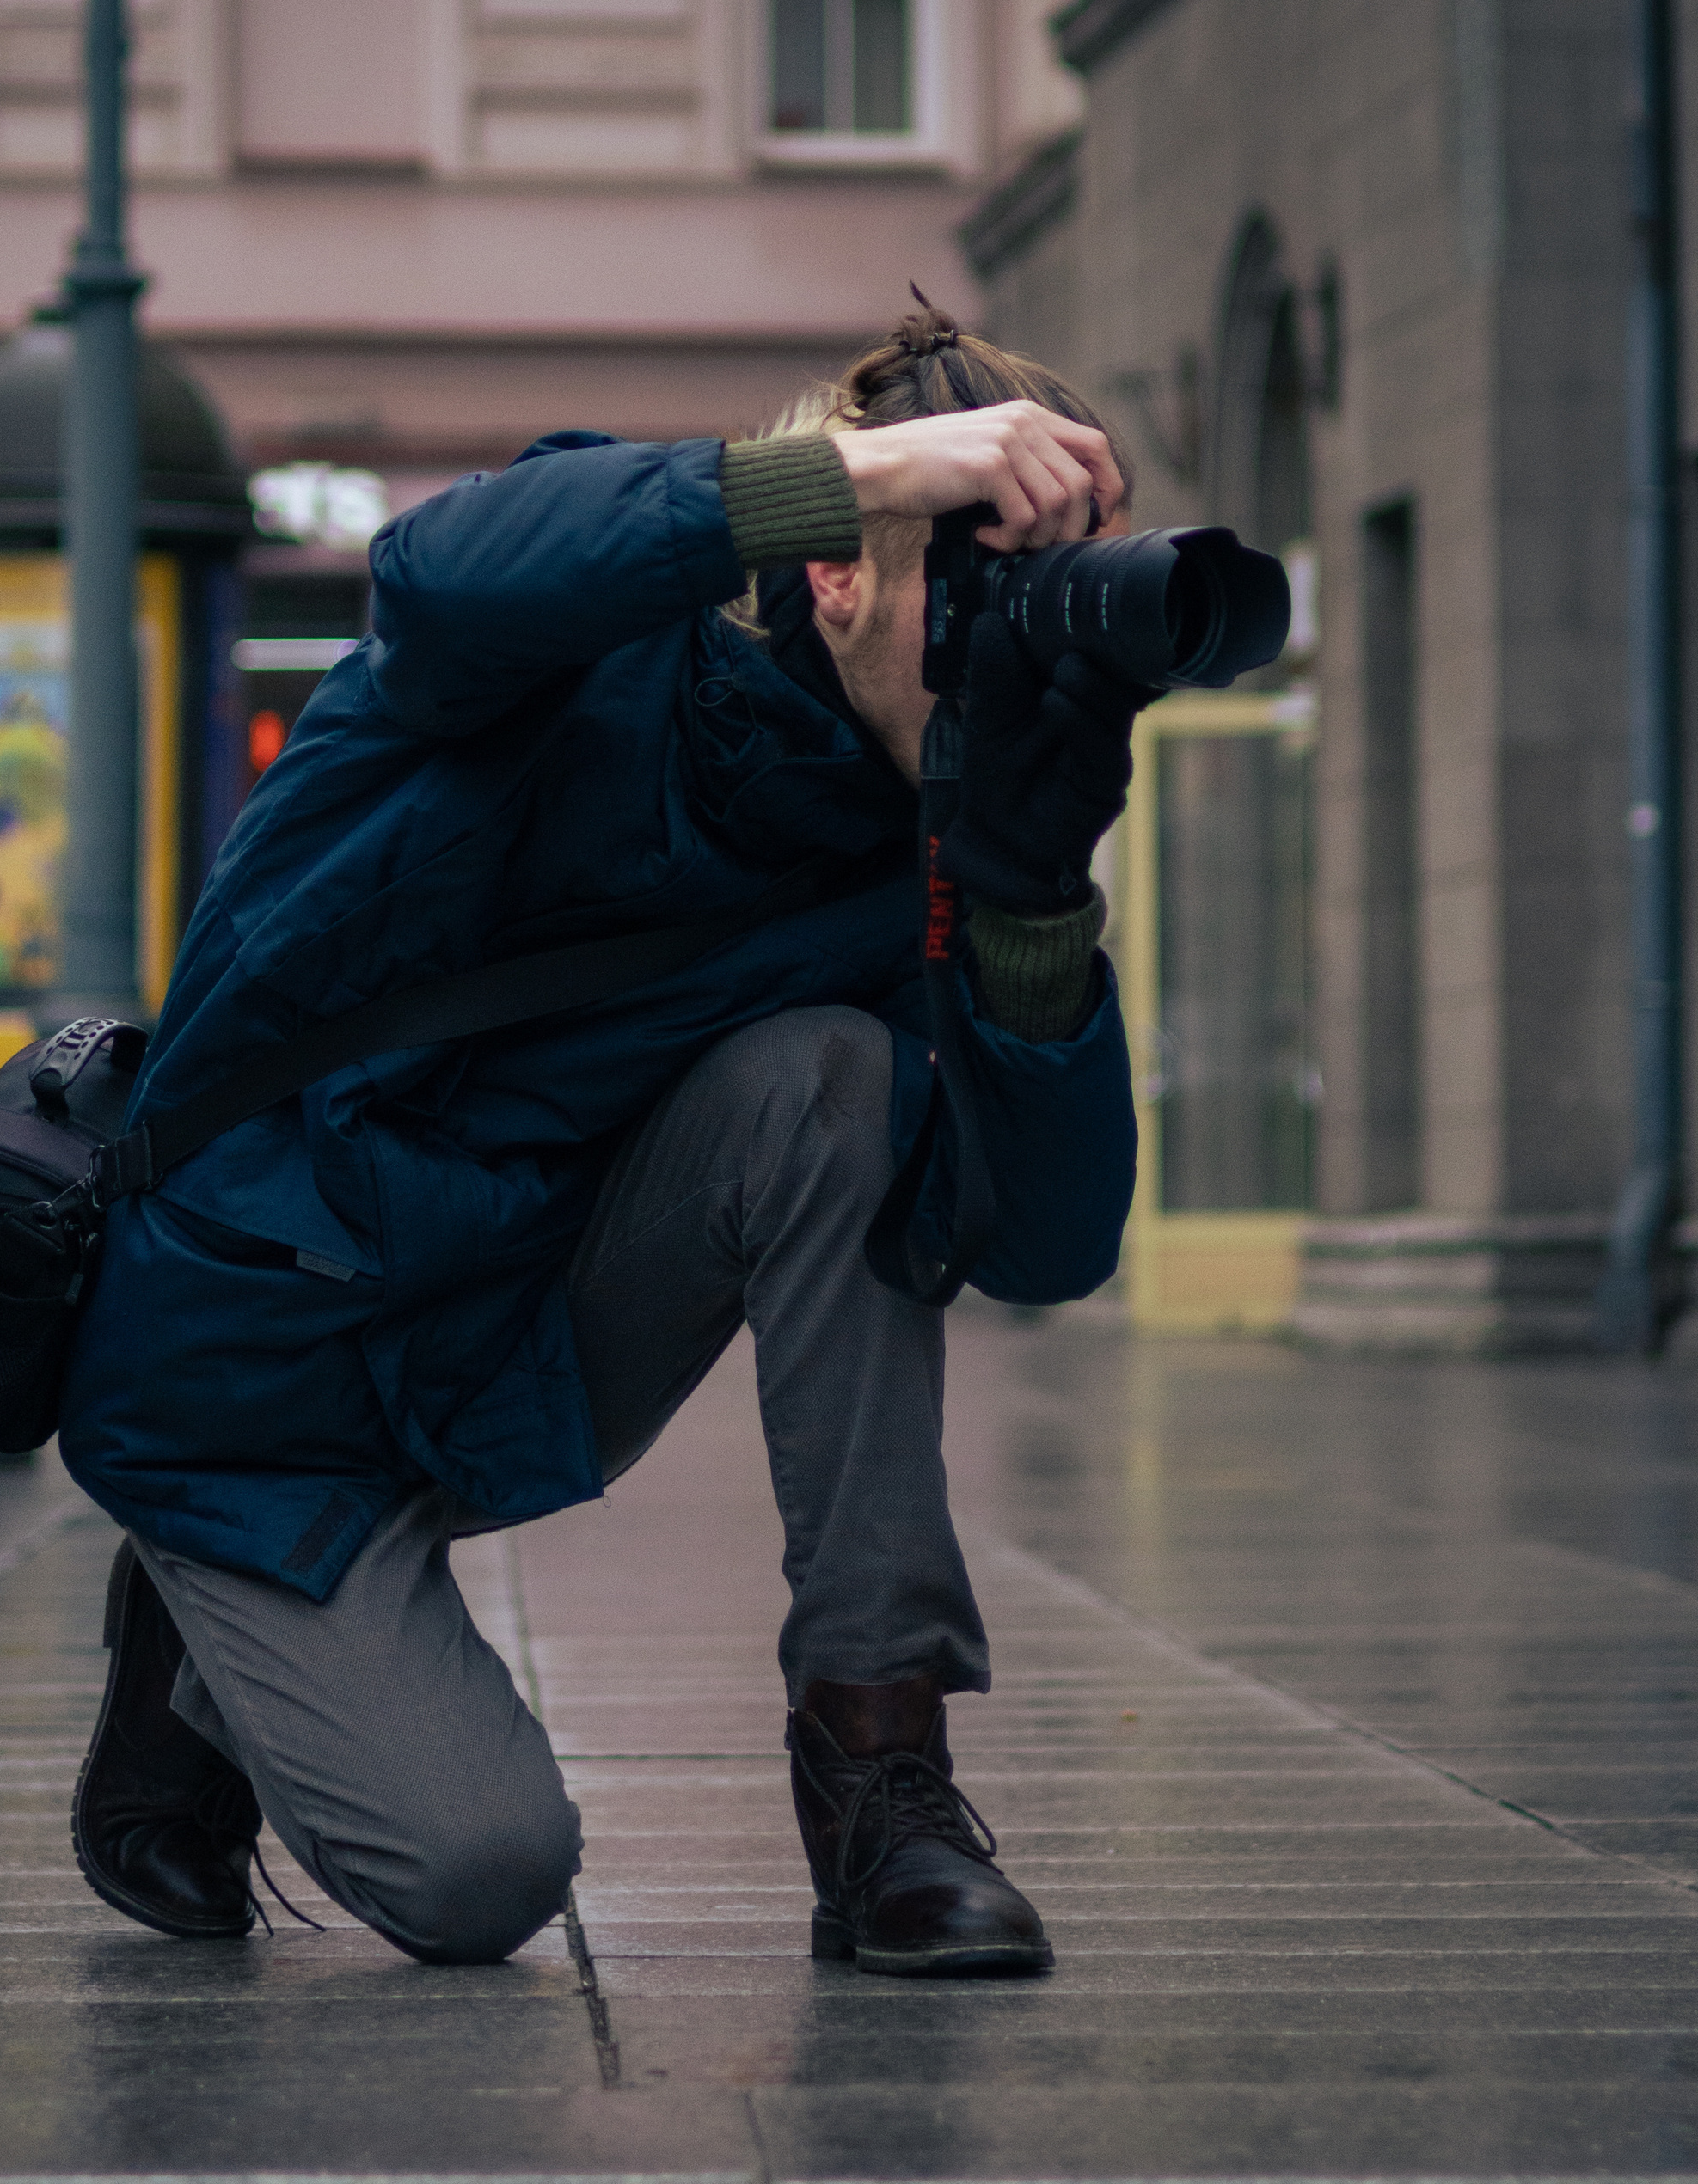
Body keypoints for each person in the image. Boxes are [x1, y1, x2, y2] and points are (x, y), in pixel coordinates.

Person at [58, 301, 1151, 1977]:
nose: (1015, 655)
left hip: (496, 1340)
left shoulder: (917, 856)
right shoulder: (581, 638)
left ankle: (883, 1780)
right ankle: (193, 1624)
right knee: (482, 1872)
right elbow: (439, 568)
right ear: (841, 569)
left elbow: (1041, 1246)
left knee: (833, 1080)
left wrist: (1032, 899)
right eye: (976, 588)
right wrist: (851, 472)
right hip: (255, 1355)